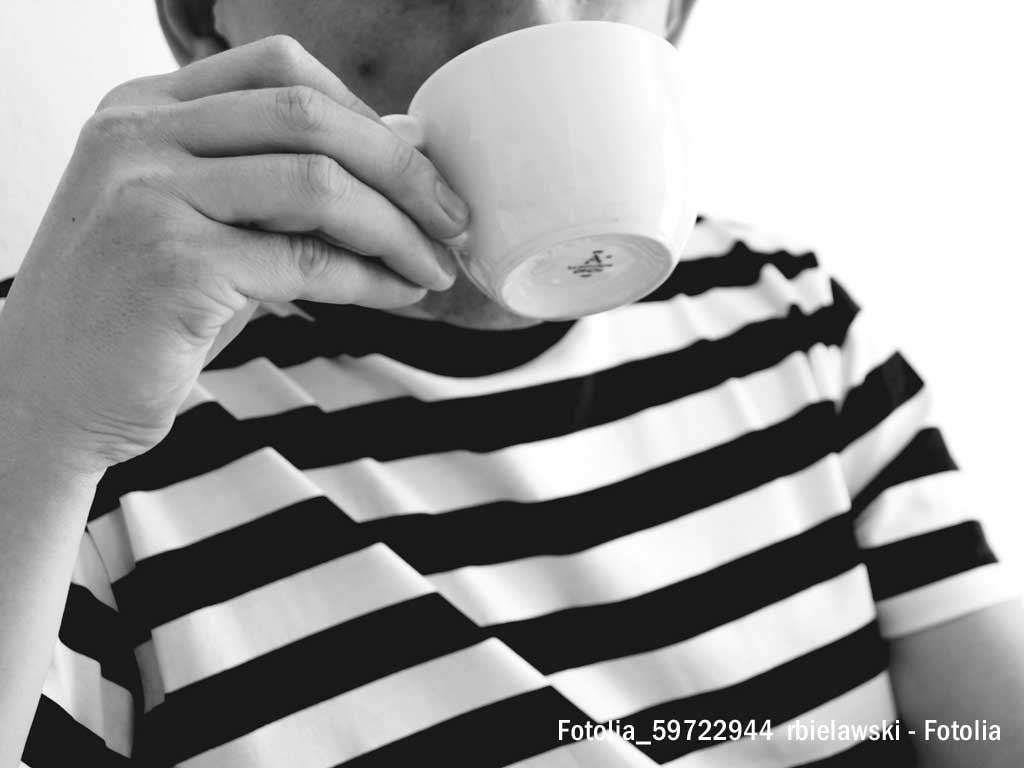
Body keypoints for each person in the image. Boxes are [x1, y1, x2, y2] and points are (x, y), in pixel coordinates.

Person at [1, 1, 1022, 766]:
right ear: (201, 19)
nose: (530, 19)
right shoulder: (68, 388)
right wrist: (40, 420)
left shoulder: (791, 318)